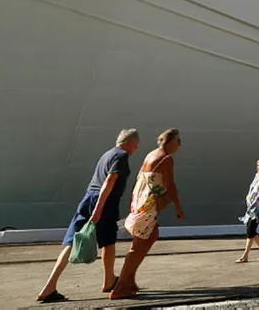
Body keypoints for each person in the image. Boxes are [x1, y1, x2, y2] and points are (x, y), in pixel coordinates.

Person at [36, 129, 140, 303]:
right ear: (130, 143)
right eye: (136, 146)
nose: (136, 149)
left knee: (83, 241)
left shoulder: (107, 154)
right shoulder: (121, 156)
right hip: (104, 201)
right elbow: (109, 181)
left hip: (88, 197)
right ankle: (107, 281)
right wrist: (99, 209)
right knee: (108, 241)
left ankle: (52, 285)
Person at [110, 128, 183, 300]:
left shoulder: (151, 154)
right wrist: (178, 208)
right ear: (171, 142)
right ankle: (121, 286)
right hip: (148, 207)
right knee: (138, 246)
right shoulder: (166, 159)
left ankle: (130, 280)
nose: (180, 145)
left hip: (141, 203)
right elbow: (171, 186)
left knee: (150, 236)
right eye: (179, 141)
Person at [236, 158, 259, 263]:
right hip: (251, 206)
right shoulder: (257, 175)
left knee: (250, 230)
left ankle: (245, 255)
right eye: (258, 166)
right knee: (250, 229)